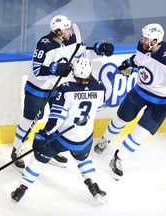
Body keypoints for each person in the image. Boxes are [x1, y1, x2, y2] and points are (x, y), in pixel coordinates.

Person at [94, 23, 166, 180]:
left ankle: (119, 158)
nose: (143, 41)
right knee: (120, 119)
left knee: (141, 132)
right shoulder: (143, 46)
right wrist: (130, 63)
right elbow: (139, 59)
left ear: (156, 40)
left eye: (147, 39)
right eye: (143, 38)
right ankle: (105, 140)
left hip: (160, 101)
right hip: (139, 91)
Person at [11, 15, 114, 170]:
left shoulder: (71, 40)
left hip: (58, 88)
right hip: (38, 89)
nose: (70, 31)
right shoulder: (44, 44)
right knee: (29, 121)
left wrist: (99, 48)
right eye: (67, 29)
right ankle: (17, 150)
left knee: (57, 120)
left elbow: (83, 51)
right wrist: (54, 69)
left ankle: (50, 150)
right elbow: (37, 70)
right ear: (58, 31)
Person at [11, 57, 107, 204]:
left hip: (62, 139)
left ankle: (20, 189)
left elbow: (57, 119)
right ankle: (93, 186)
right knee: (83, 159)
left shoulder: (65, 88)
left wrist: (43, 134)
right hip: (84, 139)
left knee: (37, 161)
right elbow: (100, 107)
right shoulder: (100, 87)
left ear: (74, 72)